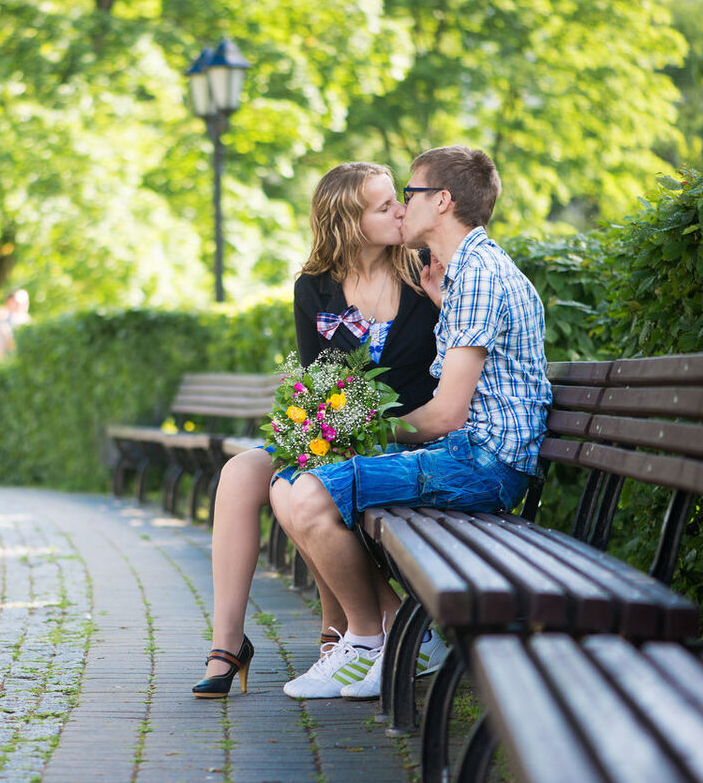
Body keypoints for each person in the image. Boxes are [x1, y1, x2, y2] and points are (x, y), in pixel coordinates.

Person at [268, 146, 553, 701]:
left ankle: (374, 641)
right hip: (473, 454)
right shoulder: (464, 275)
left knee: (303, 495)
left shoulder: (479, 276)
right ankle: (393, 632)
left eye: (411, 193)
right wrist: (439, 302)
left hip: (483, 464)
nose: (403, 205)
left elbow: (446, 415)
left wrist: (361, 426)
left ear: (442, 202)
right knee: (289, 485)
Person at [193, 162, 443, 698]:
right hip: (339, 432)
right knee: (241, 473)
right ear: (350, 224)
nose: (401, 209)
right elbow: (316, 384)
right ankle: (228, 641)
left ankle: (345, 634)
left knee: (305, 484)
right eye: (384, 206)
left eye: (397, 199)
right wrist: (314, 433)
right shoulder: (315, 289)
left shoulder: (426, 273)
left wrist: (441, 298)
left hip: (404, 439)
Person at [0, 289, 30, 359]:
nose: (20, 306)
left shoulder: (31, 322)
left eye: (25, 303)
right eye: (17, 303)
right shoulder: (0, 324)